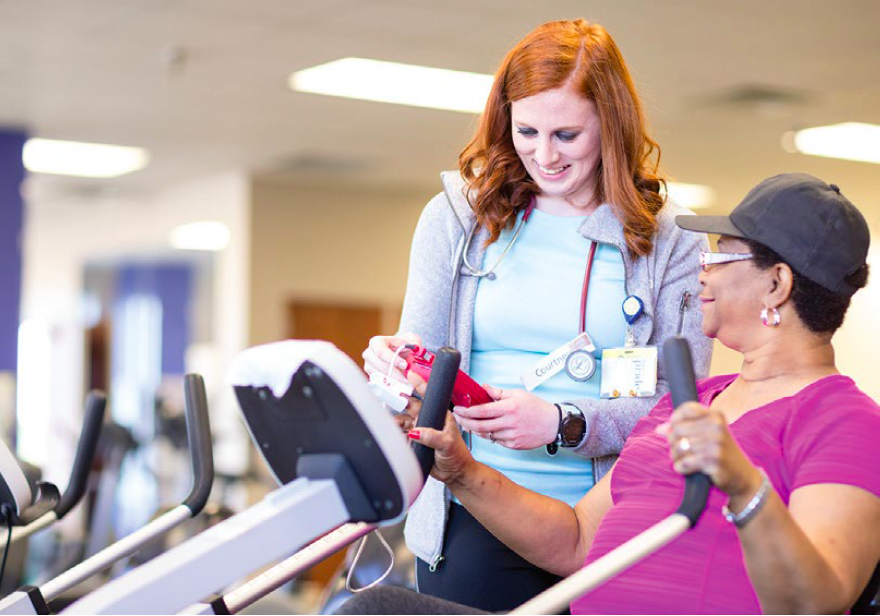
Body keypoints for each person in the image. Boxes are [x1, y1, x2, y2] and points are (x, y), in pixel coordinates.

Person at [340, 173, 880, 615]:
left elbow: (818, 603)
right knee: (372, 610)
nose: (701, 268)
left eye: (722, 255)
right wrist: (461, 471)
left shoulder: (846, 420)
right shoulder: (694, 402)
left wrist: (744, 485)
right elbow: (576, 541)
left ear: (777, 284)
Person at [361, 18, 711, 611]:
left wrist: (562, 422)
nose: (543, 155)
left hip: (615, 514)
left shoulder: (672, 239)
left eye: (567, 135)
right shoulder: (456, 220)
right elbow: (424, 372)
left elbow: (677, 406)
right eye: (526, 131)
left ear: (613, 124)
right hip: (474, 508)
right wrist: (396, 373)